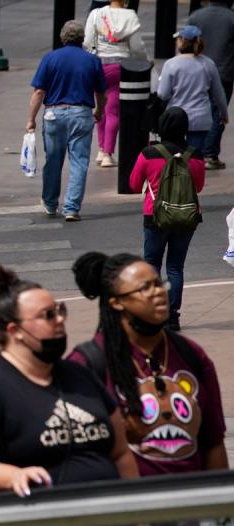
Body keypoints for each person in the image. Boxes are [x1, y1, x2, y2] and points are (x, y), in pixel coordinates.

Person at [0, 262, 138, 497]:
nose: (59, 320)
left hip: (112, 524)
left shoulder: (81, 375)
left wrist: (138, 522)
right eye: (48, 315)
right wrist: (12, 476)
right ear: (15, 331)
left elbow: (120, 453)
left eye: (60, 310)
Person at [69, 252, 228, 476]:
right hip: (128, 506)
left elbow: (213, 440)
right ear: (116, 302)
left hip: (193, 502)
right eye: (145, 288)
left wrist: (219, 504)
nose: (159, 293)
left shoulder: (191, 354)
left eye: (159, 284)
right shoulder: (87, 364)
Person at [128, 107, 206, 330]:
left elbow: (134, 185)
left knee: (152, 263)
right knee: (175, 267)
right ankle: (172, 316)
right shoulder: (196, 155)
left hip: (155, 215)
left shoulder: (148, 153)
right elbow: (198, 186)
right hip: (186, 216)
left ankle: (153, 313)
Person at [26, 20, 107, 222]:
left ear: (62, 38)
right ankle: (71, 208)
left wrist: (31, 119)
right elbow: (101, 92)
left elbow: (39, 91)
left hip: (54, 113)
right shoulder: (92, 60)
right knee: (79, 163)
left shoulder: (50, 58)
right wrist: (99, 111)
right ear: (82, 39)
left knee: (53, 161)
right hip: (82, 113)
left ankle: (51, 204)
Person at [84, 0, 146, 168]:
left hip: (98, 65)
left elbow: (88, 41)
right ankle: (107, 154)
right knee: (113, 110)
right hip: (119, 66)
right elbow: (136, 47)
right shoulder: (130, 16)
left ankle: (100, 148)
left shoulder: (96, 14)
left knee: (100, 107)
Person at [157, 25, 229, 155]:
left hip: (175, 117)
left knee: (175, 156)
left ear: (182, 41)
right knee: (194, 156)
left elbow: (163, 94)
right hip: (200, 118)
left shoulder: (171, 64)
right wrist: (224, 114)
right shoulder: (208, 63)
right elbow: (219, 94)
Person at [190, 0, 234, 170]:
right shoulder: (231, 18)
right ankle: (210, 153)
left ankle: (197, 149)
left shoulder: (196, 16)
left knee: (200, 107)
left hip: (198, 71)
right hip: (224, 71)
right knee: (218, 113)